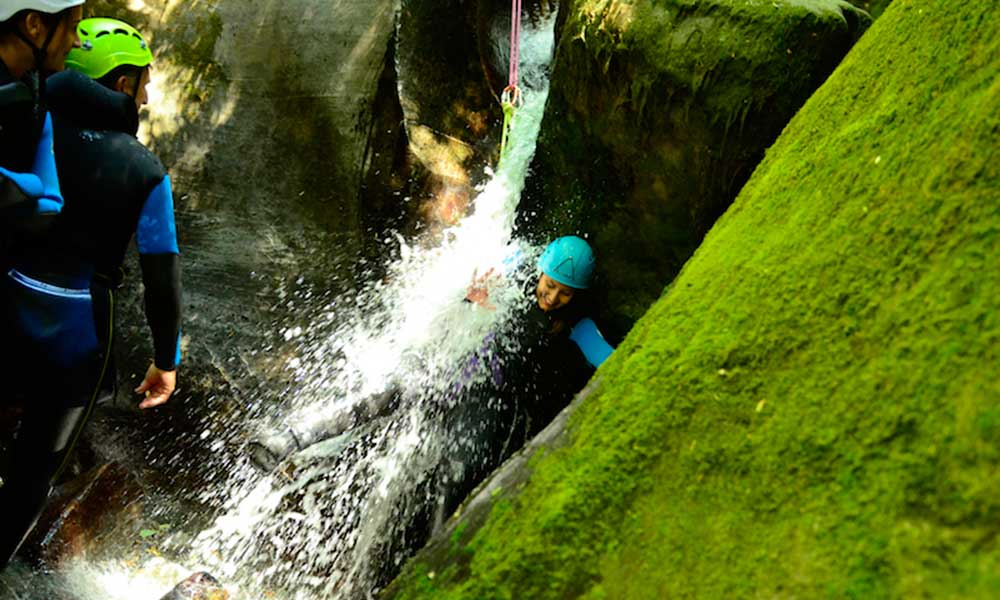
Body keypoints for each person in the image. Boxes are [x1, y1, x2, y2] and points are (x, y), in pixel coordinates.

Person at [0, 17, 181, 567]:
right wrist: (166, 360)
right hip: (77, 332)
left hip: (7, 297)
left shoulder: (22, 109)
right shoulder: (146, 170)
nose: (148, 98)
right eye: (144, 83)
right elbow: (161, 276)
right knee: (34, 472)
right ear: (122, 84)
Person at [249, 236, 614, 476]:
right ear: (541, 272)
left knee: (463, 469)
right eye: (549, 285)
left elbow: (611, 359)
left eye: (564, 293)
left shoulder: (575, 323)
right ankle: (288, 440)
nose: (551, 297)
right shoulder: (516, 273)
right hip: (456, 366)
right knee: (382, 397)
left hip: (486, 394)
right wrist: (473, 292)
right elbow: (480, 272)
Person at [0, 1, 84, 268]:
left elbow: (49, 203)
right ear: (34, 24)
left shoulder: (33, 89)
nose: (78, 42)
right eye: (72, 28)